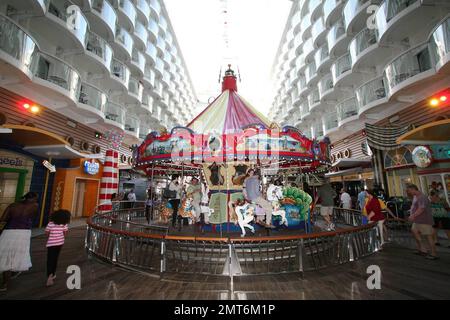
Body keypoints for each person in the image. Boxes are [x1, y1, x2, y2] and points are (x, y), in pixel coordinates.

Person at [0, 192, 39, 291]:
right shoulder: (34, 206)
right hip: (24, 232)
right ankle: (14, 271)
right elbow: (33, 217)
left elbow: (3, 219)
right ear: (33, 198)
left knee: (5, 255)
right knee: (19, 253)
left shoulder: (13, 206)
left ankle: (5, 283)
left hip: (9, 231)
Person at [406, 184, 437, 260]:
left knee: (428, 236)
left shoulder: (422, 197)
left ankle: (434, 254)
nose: (409, 192)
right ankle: (422, 249)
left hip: (424, 220)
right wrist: (411, 212)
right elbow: (416, 207)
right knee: (414, 231)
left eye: (409, 191)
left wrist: (413, 215)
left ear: (413, 189)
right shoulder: (415, 197)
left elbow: (422, 208)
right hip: (417, 220)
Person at [45, 209, 71, 287]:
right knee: (55, 258)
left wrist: (51, 236)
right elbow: (65, 233)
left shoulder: (50, 223)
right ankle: (53, 273)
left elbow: (47, 233)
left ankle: (49, 275)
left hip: (51, 244)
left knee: (50, 259)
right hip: (59, 243)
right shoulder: (64, 225)